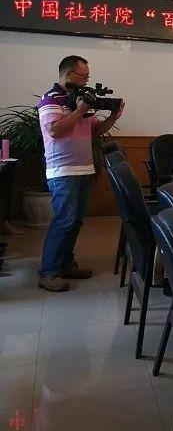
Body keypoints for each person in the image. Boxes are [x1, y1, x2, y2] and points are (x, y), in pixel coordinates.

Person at [37, 55, 124, 292]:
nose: (86, 80)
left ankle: (65, 264)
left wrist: (113, 116)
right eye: (83, 76)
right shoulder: (50, 99)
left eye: (87, 77)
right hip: (62, 170)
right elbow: (55, 130)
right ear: (67, 74)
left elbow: (95, 131)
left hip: (85, 168)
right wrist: (81, 110)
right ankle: (48, 272)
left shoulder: (82, 99)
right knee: (64, 221)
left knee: (75, 221)